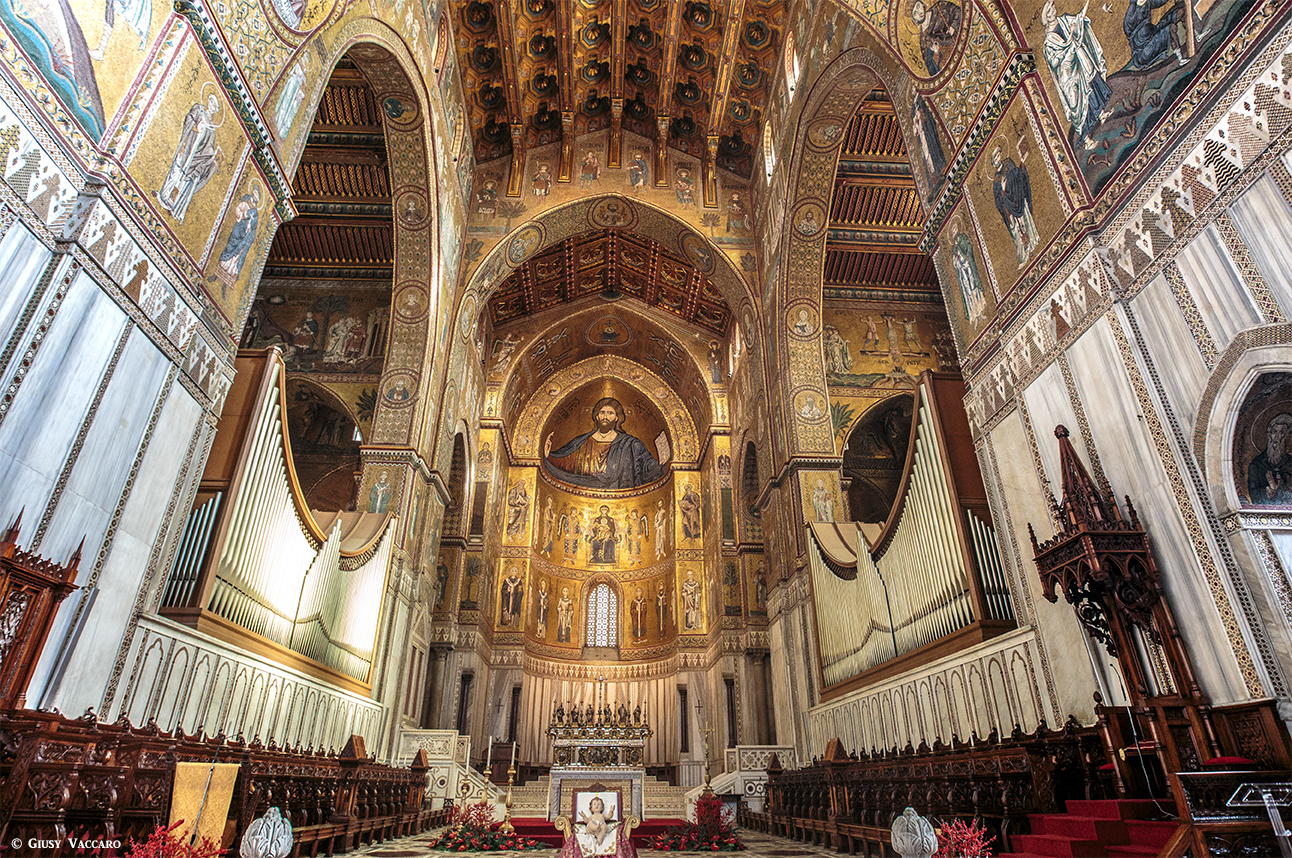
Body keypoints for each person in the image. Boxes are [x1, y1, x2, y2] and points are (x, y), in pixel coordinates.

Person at [544, 397, 667, 489]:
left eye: (610, 413)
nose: (605, 417)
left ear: (617, 418)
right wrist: (548, 455)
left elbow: (648, 468)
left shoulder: (631, 445)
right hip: (583, 493)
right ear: (596, 416)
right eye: (602, 413)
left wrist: (665, 463)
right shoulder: (581, 442)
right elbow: (564, 463)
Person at [1043, 0, 1113, 149]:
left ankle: (1101, 114)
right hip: (1067, 74)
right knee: (1077, 104)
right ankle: (1086, 139)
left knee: (1091, 83)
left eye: (1053, 7)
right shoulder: (1048, 41)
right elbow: (1054, 63)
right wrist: (1069, 40)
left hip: (1079, 61)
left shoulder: (1064, 20)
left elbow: (1079, 19)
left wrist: (1086, 6)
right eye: (1049, 11)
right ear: (1045, 17)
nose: (1053, 11)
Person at [156, 94, 222, 224]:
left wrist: (212, 159)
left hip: (195, 157)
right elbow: (188, 119)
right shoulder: (198, 110)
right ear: (208, 102)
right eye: (212, 103)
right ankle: (164, 195)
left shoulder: (212, 129)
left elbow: (208, 147)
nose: (212, 107)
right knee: (176, 170)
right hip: (187, 147)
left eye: (215, 106)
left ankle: (172, 203)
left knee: (183, 180)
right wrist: (195, 127)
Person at [991, 144, 1040, 268]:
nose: (997, 159)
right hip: (1009, 210)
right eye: (994, 159)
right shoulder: (996, 180)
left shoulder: (1009, 164)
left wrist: (1022, 168)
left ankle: (1033, 243)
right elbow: (998, 202)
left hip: (1018, 200)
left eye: (997, 155)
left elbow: (1017, 176)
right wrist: (1002, 191)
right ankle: (1023, 256)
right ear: (993, 163)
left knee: (1026, 222)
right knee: (1016, 231)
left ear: (1001, 154)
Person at [1124, 0, 1185, 69]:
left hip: (1153, 34)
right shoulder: (1131, 12)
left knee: (1180, 12)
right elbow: (1128, 30)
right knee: (1171, 28)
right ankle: (1181, 59)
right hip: (1144, 51)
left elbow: (1159, 2)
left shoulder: (1147, 3)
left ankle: (1196, 33)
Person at [1249, 413, 1292, 505]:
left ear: (1287, 437)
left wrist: (1282, 489)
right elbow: (1253, 491)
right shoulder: (1257, 464)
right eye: (1274, 432)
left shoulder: (1290, 463)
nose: (1276, 437)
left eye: (1281, 433)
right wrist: (1267, 492)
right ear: (1269, 435)